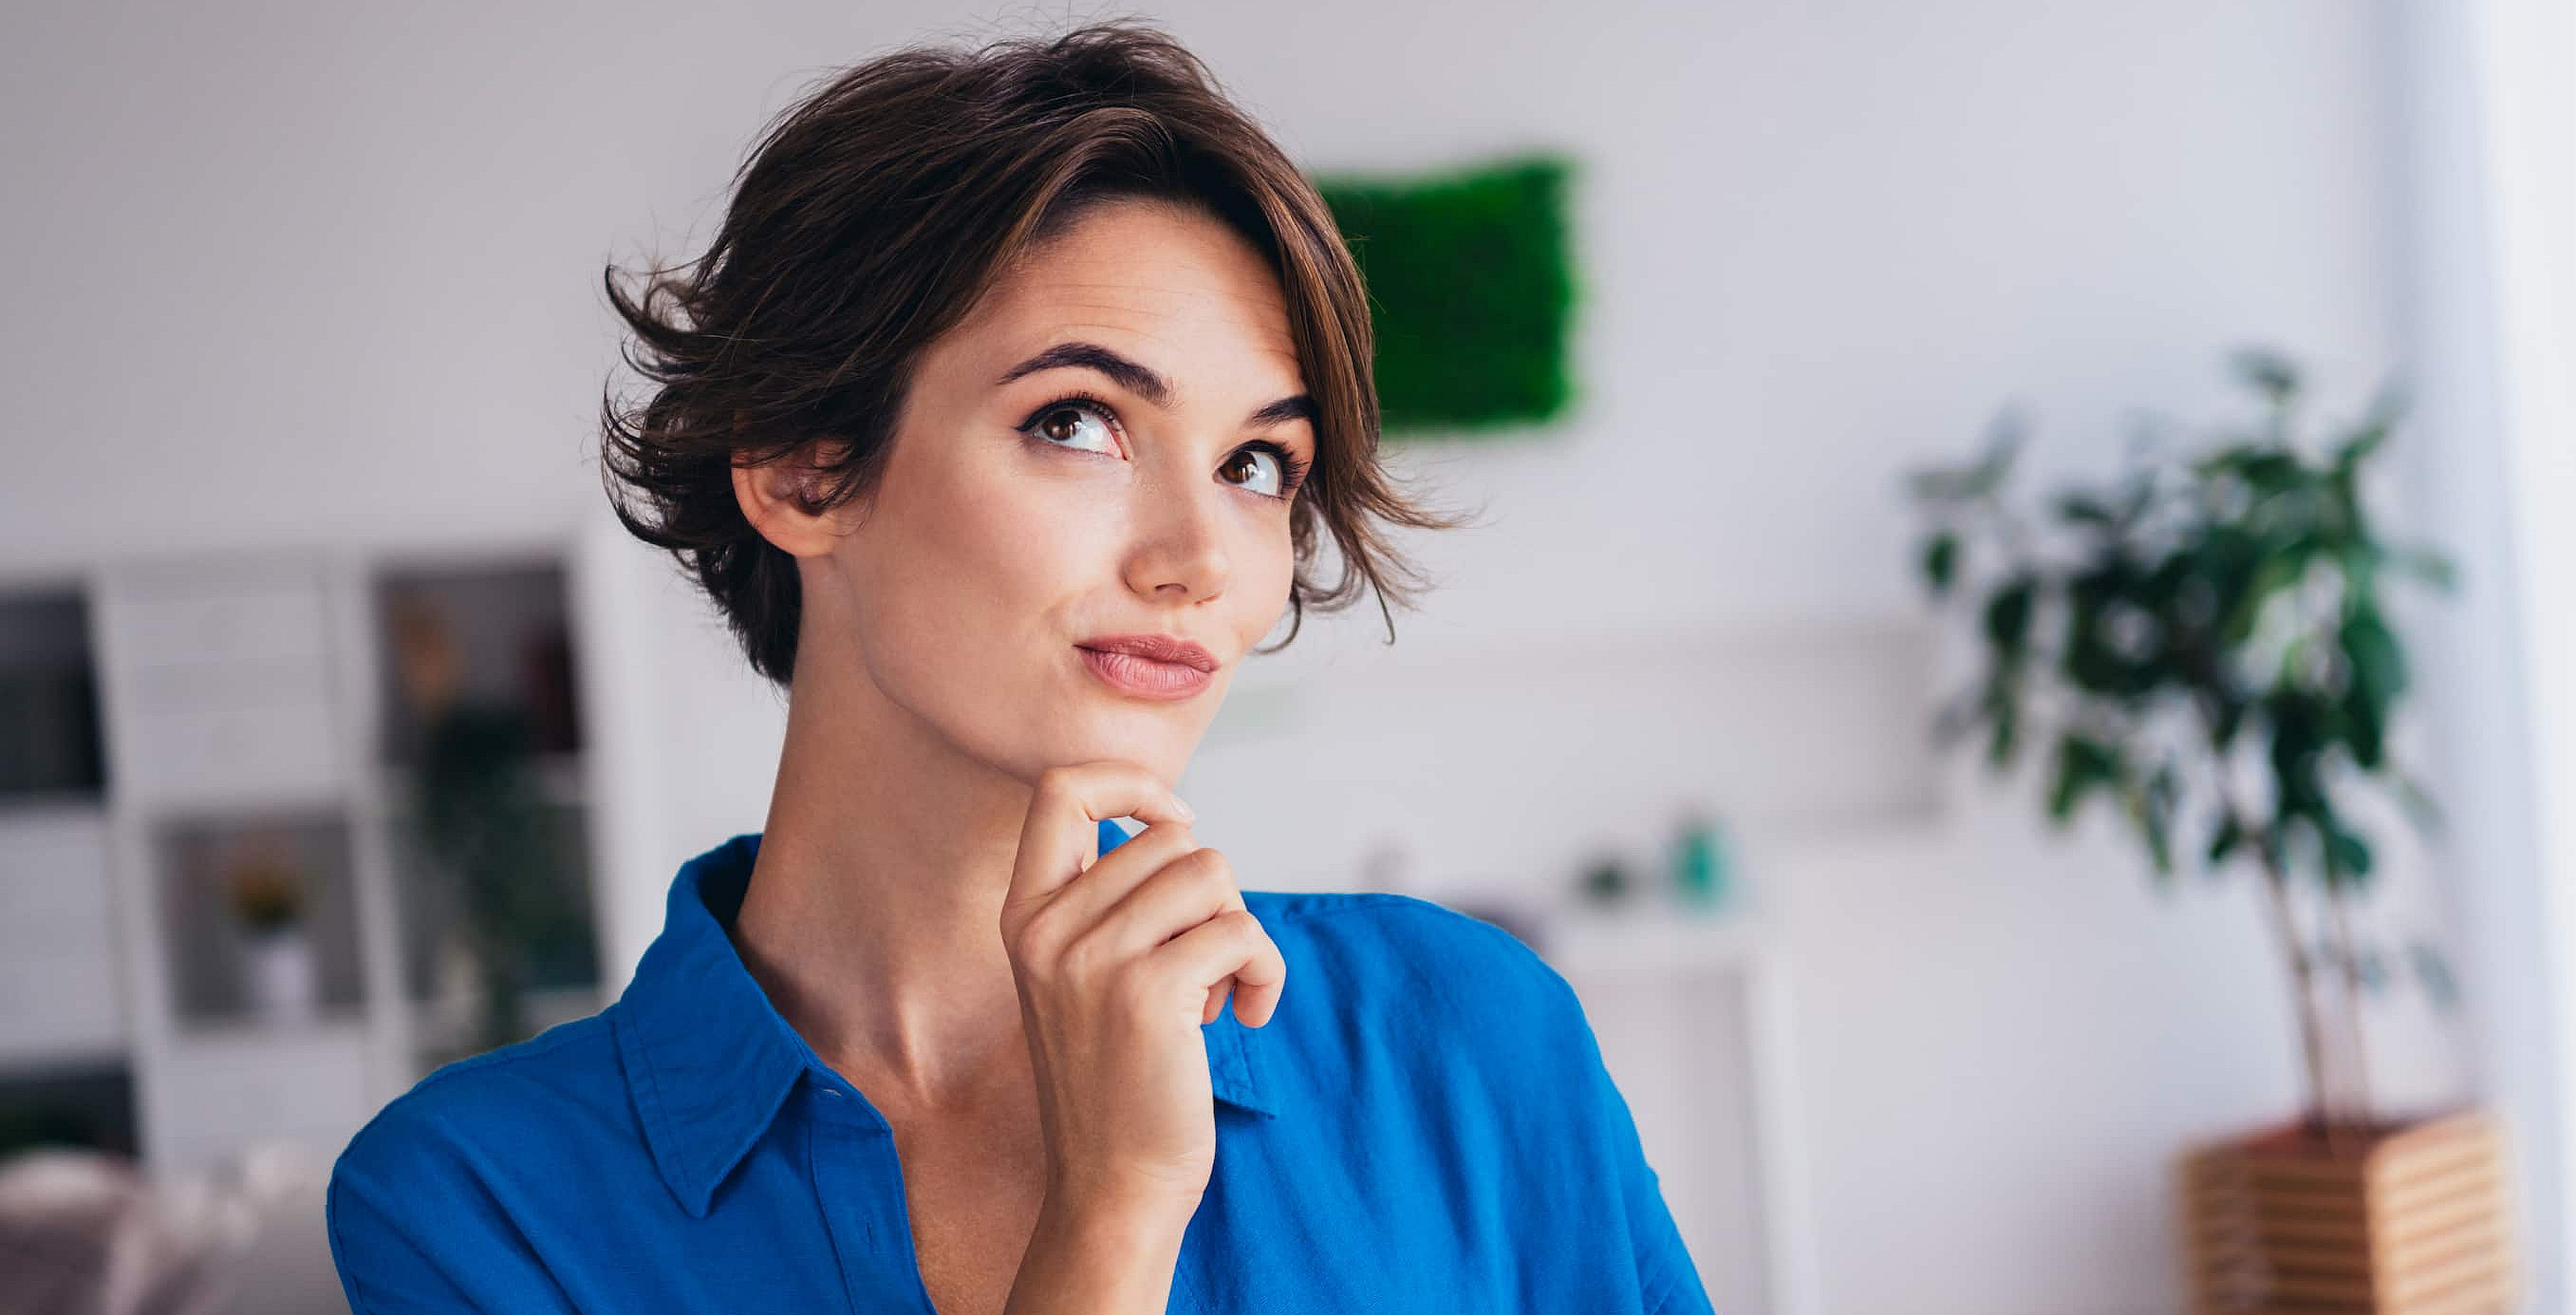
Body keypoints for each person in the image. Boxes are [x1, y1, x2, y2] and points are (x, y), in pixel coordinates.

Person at [325, 19, 1713, 1315]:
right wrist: (1111, 1213)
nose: (1199, 558)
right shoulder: (477, 1207)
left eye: (1254, 464)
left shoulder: (1466, 1045)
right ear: (806, 466)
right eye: (1079, 421)